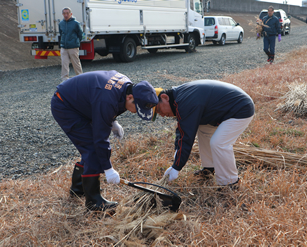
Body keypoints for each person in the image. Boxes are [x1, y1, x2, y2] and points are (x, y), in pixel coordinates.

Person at [51, 70, 158, 211]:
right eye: (136, 108)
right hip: (65, 105)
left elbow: (111, 103)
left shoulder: (126, 87)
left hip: (82, 102)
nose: (134, 112)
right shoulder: (106, 98)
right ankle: (94, 202)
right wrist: (108, 169)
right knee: (91, 148)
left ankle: (78, 188)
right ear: (130, 97)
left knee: (90, 147)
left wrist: (113, 121)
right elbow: (100, 138)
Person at [152, 80, 254, 189]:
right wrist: (178, 150)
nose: (162, 115)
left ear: (164, 97)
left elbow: (187, 136)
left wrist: (176, 167)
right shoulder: (178, 97)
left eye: (159, 109)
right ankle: (209, 169)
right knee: (203, 129)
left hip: (241, 109)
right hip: (227, 110)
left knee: (219, 143)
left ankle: (230, 182)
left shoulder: (185, 102)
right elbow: (182, 129)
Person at [59, 7, 83, 82]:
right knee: (64, 63)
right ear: (62, 14)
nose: (66, 15)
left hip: (73, 47)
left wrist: (76, 42)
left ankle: (80, 77)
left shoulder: (76, 23)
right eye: (64, 13)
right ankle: (64, 79)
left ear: (71, 14)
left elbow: (80, 34)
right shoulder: (61, 23)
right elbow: (61, 34)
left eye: (67, 13)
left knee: (76, 63)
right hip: (64, 47)